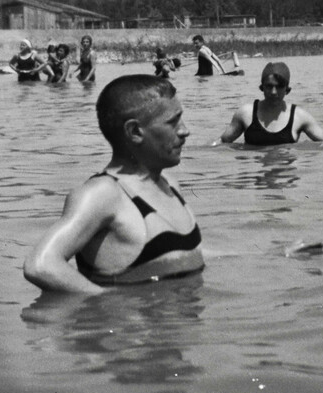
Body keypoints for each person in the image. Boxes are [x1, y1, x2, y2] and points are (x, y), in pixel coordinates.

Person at [24, 75, 204, 293]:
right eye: (172, 122)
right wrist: (107, 302)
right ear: (135, 132)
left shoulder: (169, 185)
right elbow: (41, 265)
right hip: (134, 325)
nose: (185, 131)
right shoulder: (104, 194)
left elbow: (181, 256)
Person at [219, 61, 323, 145]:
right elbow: (222, 143)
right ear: (262, 88)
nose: (273, 92)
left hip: (286, 172)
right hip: (256, 172)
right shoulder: (245, 113)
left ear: (287, 90)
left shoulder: (300, 117)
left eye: (279, 87)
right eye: (269, 86)